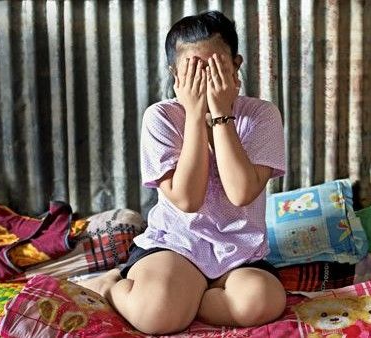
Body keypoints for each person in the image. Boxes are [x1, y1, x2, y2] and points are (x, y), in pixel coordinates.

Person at [77, 10, 286, 335]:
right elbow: (187, 199)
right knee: (158, 315)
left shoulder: (261, 116)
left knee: (263, 300)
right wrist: (193, 115)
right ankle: (112, 284)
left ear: (236, 66)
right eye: (195, 72)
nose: (207, 81)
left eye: (217, 69)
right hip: (176, 246)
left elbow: (241, 192)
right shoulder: (160, 117)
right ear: (176, 75)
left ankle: (190, 297)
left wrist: (220, 114)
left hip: (239, 252)